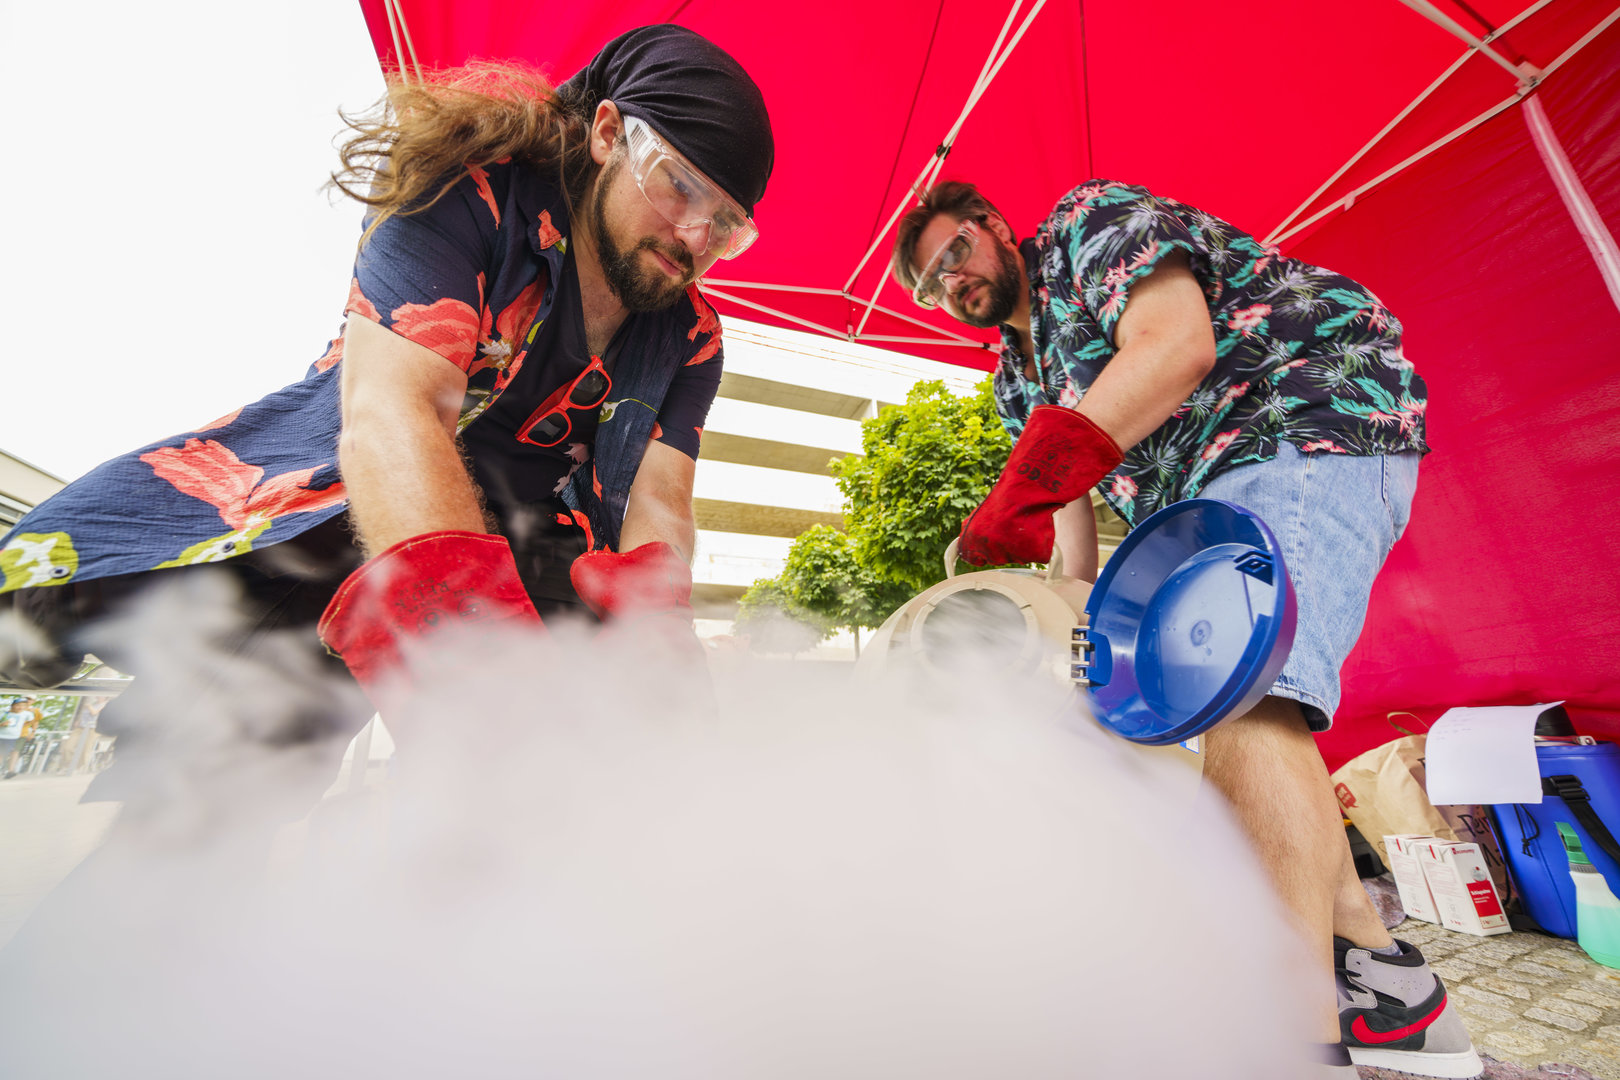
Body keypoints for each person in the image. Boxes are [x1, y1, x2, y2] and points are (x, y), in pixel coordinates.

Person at [0, 25, 773, 813]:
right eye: (679, 187)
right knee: (225, 787)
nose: (694, 237)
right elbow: (396, 414)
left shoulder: (692, 336)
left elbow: (659, 502)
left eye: (725, 225)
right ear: (609, 133)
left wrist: (657, 640)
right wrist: (478, 675)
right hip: (360, 501)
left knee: (580, 794)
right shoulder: (468, 193)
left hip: (536, 542)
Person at [891, 179, 1476, 1079]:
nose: (951, 283)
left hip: (1297, 418)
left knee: (1242, 694)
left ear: (995, 227)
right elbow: (1071, 529)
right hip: (1194, 506)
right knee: (1229, 718)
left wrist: (1027, 485)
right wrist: (1058, 632)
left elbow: (1175, 345)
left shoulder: (1086, 223)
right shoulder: (1015, 379)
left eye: (954, 254)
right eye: (932, 285)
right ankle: (1391, 990)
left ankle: (1287, 1045)